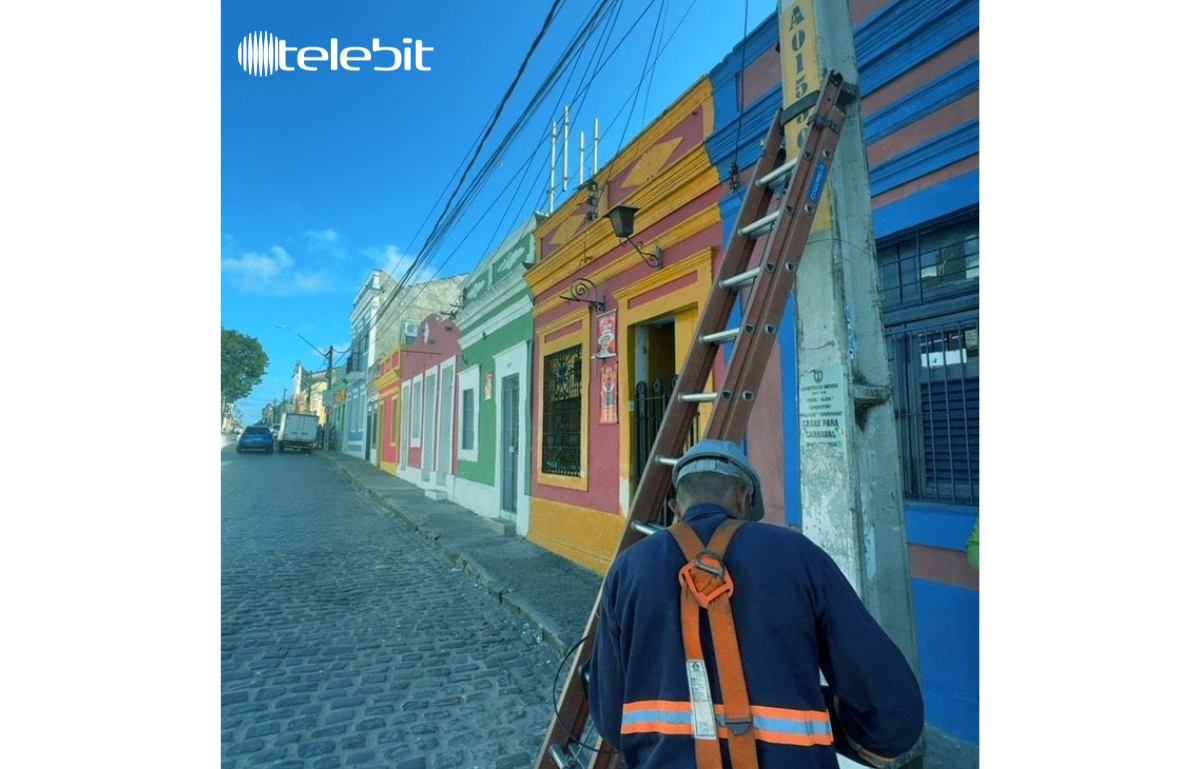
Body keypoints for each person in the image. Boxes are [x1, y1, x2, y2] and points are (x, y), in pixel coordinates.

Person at [587, 439, 924, 768]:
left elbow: (611, 716)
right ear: (744, 497)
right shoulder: (800, 556)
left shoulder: (627, 569)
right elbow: (892, 711)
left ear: (676, 509)